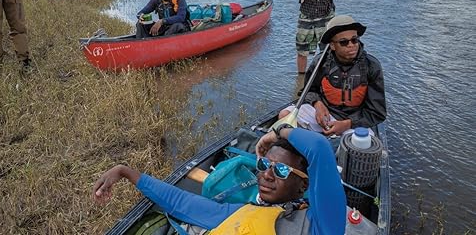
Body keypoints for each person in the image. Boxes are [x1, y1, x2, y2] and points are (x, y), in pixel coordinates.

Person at [93, 127, 346, 234]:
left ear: (304, 185)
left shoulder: (321, 225)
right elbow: (183, 203)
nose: (267, 175)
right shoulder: (244, 212)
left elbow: (320, 147)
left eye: (280, 170)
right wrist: (126, 172)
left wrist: (276, 133)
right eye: (263, 165)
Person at [279, 15, 386, 136]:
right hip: (325, 117)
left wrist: (347, 124)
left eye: (355, 40)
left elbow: (377, 113)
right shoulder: (320, 62)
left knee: (361, 147)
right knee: (284, 116)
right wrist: (317, 104)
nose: (351, 45)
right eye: (344, 42)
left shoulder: (371, 66)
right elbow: (309, 91)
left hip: (355, 124)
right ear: (332, 46)